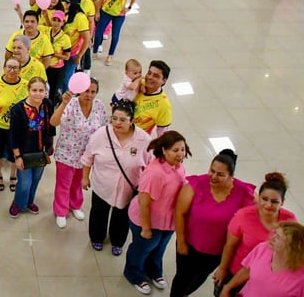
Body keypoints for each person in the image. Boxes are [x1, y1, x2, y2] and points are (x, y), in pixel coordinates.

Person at [171, 149, 256, 297]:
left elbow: (256, 214)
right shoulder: (195, 185)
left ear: (231, 176)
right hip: (190, 245)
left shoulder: (243, 192)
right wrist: (181, 241)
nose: (214, 176)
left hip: (218, 251)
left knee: (200, 276)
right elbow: (180, 213)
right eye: (212, 171)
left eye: (220, 174)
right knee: (183, 277)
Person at [124, 131, 191, 295]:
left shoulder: (179, 166)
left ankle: (153, 271)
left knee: (159, 248)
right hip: (147, 220)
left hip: (168, 220)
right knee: (142, 249)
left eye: (182, 149)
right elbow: (143, 203)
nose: (180, 154)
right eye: (175, 150)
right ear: (163, 150)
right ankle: (134, 274)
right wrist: (146, 229)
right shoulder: (155, 173)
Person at [81, 100, 152, 254]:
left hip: (130, 187)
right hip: (102, 185)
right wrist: (85, 178)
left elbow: (150, 167)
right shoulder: (101, 134)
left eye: (122, 120)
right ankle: (97, 238)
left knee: (122, 216)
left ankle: (117, 241)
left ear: (132, 120)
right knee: (98, 213)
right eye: (114, 119)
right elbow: (88, 157)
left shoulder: (144, 140)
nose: (117, 123)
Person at [214, 172, 297, 294]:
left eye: (274, 202)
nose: (268, 205)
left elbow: (291, 249)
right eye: (264, 199)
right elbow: (230, 245)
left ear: (282, 202)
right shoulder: (243, 216)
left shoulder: (290, 220)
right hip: (238, 272)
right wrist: (222, 269)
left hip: (266, 278)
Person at [50, 79, 108, 228]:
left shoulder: (100, 106)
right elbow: (53, 122)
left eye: (93, 92)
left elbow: (104, 129)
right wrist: (63, 103)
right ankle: (61, 211)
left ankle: (75, 205)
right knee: (64, 184)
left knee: (78, 182)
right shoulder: (70, 104)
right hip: (66, 153)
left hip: (86, 156)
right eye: (86, 91)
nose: (89, 95)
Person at [220, 221, 304, 297]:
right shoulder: (263, 248)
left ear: (293, 247)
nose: (272, 238)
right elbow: (247, 270)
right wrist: (227, 288)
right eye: (274, 233)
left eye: (278, 237)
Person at [8, 77, 55, 218]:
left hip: (41, 151)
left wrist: (50, 144)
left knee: (35, 179)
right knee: (25, 182)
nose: (38, 94)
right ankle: (18, 203)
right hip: (23, 153)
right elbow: (13, 135)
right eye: (34, 90)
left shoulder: (48, 104)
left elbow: (51, 125)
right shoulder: (18, 110)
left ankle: (29, 202)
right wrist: (17, 156)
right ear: (28, 90)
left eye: (41, 90)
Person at [0, 58, 29, 192]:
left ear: (20, 71)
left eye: (15, 68)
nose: (12, 70)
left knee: (14, 153)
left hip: (17, 128)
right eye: (9, 67)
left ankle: (13, 175)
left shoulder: (26, 86)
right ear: (4, 68)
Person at [93, 0, 137, 67]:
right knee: (98, 33)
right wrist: (97, 11)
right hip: (105, 12)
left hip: (119, 15)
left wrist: (129, 7)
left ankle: (110, 55)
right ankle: (95, 52)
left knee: (115, 35)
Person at [133, 60, 173, 136]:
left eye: (156, 76)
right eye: (149, 73)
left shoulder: (164, 106)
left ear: (164, 81)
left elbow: (163, 135)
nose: (150, 77)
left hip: (136, 139)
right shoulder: (138, 83)